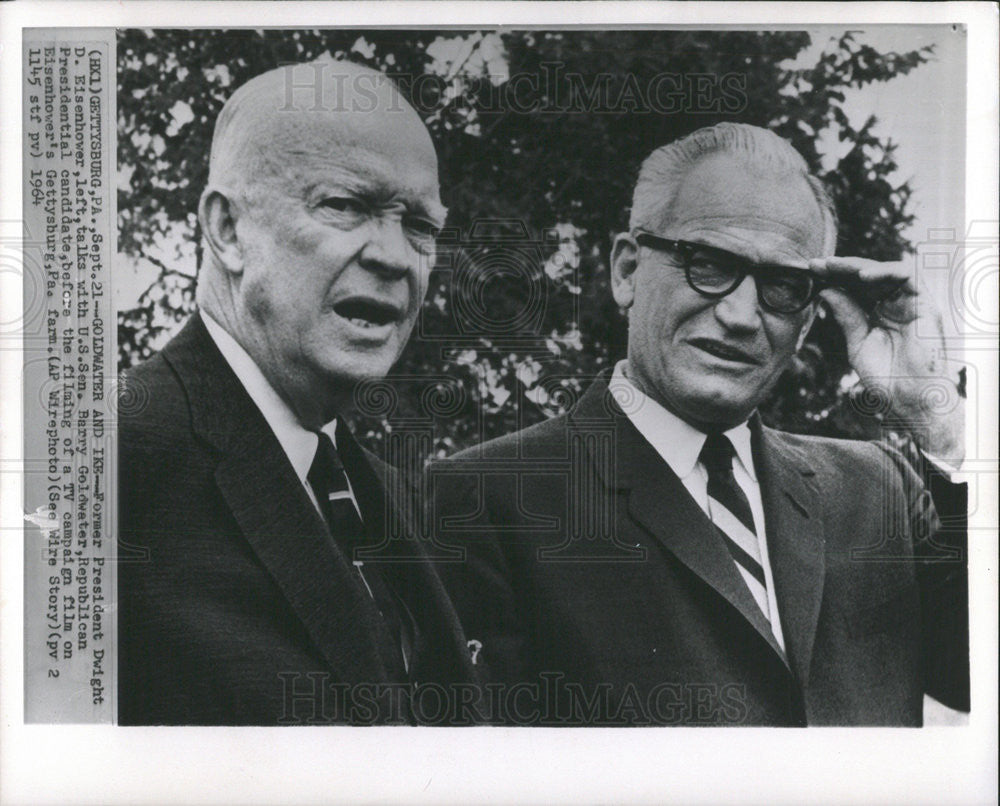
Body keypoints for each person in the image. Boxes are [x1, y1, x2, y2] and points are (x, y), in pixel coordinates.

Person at [430, 122, 969, 726]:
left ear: (811, 317)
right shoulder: (480, 500)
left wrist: (936, 420)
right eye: (708, 264)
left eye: (783, 286)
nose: (741, 315)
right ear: (627, 270)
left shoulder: (878, 489)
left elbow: (976, 678)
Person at [118, 61, 474, 725]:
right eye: (345, 205)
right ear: (227, 230)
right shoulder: (105, 472)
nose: (395, 257)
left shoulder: (391, 494)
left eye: (420, 226)